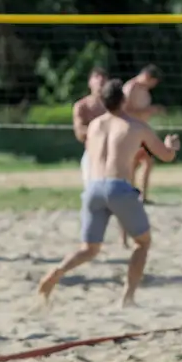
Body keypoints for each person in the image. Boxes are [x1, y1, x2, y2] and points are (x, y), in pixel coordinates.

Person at [38, 78, 180, 307]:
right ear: (124, 100)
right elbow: (165, 156)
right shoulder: (135, 125)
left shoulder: (94, 126)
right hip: (119, 187)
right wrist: (172, 145)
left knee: (89, 249)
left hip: (93, 187)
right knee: (142, 243)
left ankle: (58, 271)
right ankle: (128, 297)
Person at [73, 67, 128, 248]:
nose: (100, 82)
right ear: (90, 82)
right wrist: (99, 131)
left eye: (104, 79)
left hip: (115, 155)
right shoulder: (82, 106)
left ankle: (123, 238)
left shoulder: (114, 106)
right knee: (91, 196)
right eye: (97, 78)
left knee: (122, 196)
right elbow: (79, 132)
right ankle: (89, 238)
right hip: (93, 156)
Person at [123, 64, 165, 204]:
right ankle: (132, 194)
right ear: (148, 77)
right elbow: (124, 112)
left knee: (145, 161)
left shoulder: (143, 89)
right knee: (136, 162)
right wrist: (149, 111)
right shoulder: (130, 88)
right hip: (131, 130)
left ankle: (141, 196)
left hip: (142, 130)